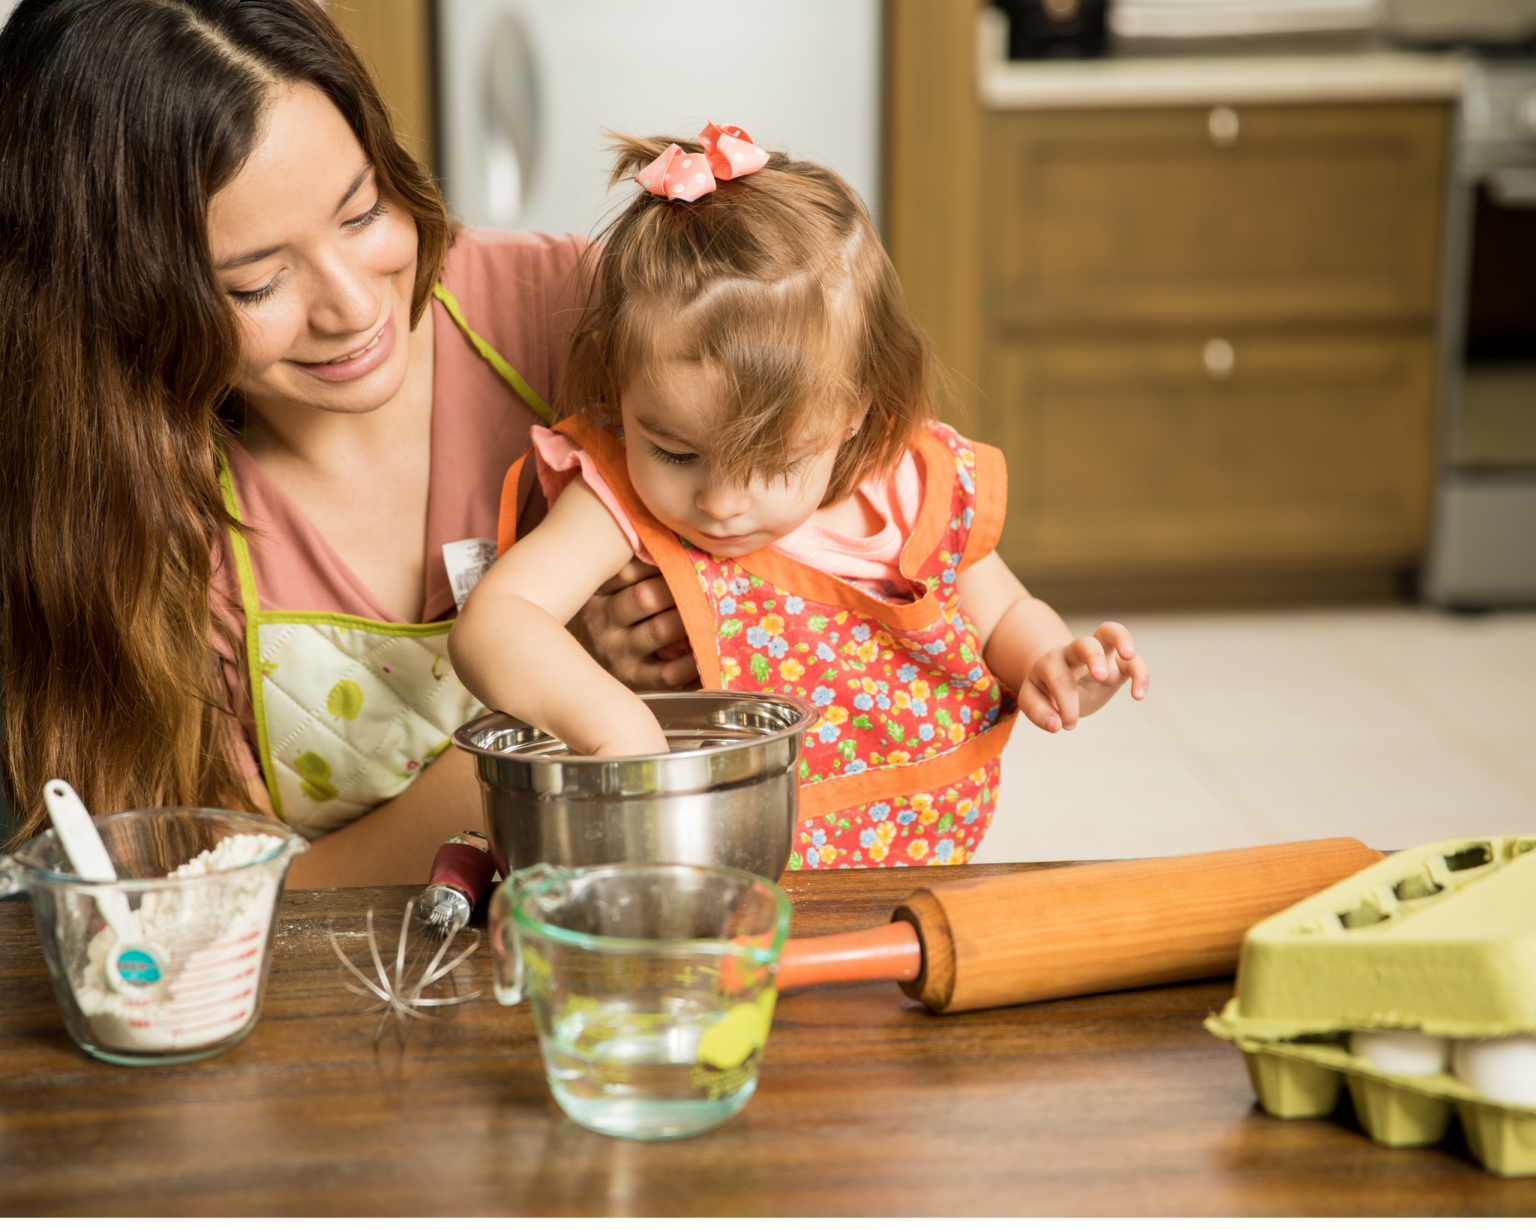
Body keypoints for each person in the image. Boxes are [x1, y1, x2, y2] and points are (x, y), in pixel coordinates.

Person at [0, 0, 695, 883]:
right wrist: (562, 698)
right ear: (120, 303)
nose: (357, 307)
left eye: (362, 212)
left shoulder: (577, 316)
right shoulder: (123, 520)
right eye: (257, 284)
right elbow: (214, 902)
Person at [448, 126, 1151, 870]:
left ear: (854, 411)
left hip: (927, 861)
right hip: (722, 872)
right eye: (676, 452)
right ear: (621, 386)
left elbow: (1002, 613)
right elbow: (494, 622)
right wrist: (616, 730)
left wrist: (1050, 661)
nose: (720, 502)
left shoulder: (913, 483)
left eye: (774, 460)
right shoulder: (620, 494)